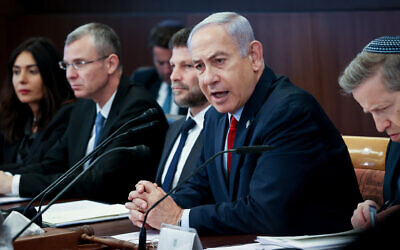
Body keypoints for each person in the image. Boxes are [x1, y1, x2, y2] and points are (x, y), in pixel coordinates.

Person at [126, 12, 362, 236]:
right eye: (199, 66)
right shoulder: (216, 115)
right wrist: (156, 205)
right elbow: (200, 188)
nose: (208, 78)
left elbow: (266, 213)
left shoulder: (290, 112)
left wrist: (178, 217)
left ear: (254, 57)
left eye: (219, 61)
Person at [0, 23, 168, 204]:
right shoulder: (84, 107)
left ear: (110, 63)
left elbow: (100, 180)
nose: (70, 75)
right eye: (67, 65)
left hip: (122, 221)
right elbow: (53, 163)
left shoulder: (138, 108)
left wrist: (14, 184)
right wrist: (6, 176)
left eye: (79, 64)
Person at [339, 36, 400, 230]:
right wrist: (376, 213)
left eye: (383, 108)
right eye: (371, 113)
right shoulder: (397, 142)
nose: (380, 127)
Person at [0, 37, 75, 167]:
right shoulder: (13, 117)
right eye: (16, 72)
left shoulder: (67, 117)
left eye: (32, 71)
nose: (21, 80)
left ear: (50, 75)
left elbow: (43, 170)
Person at [153, 28, 209, 192]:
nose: (173, 76)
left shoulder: (224, 130)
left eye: (186, 66)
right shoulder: (175, 128)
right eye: (173, 66)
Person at [130, 20, 187, 116]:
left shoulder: (195, 88)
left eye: (171, 63)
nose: (166, 70)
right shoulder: (141, 80)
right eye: (160, 63)